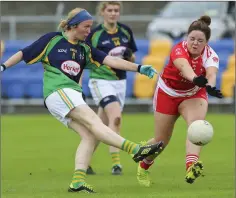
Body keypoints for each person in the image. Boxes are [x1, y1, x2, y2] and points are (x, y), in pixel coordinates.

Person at [0, 8, 164, 193]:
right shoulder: (52, 40)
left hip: (70, 95)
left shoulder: (84, 49)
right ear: (74, 25)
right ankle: (136, 150)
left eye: (90, 27)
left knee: (89, 135)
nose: (88, 31)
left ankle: (77, 181)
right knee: (95, 121)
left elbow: (112, 61)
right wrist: (4, 66)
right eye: (86, 27)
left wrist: (139, 67)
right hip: (59, 91)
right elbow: (23, 53)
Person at [136, 15, 223, 187]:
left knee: (196, 126)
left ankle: (191, 167)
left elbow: (212, 74)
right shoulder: (178, 49)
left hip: (193, 95)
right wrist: (196, 78)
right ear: (186, 38)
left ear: (206, 43)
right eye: (192, 39)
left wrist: (210, 86)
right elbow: (184, 67)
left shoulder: (211, 55)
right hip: (167, 92)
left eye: (200, 40)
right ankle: (143, 165)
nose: (195, 43)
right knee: (161, 141)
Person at [85, 1, 137, 175]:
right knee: (116, 118)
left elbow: (132, 57)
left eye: (116, 10)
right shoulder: (95, 34)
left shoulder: (125, 31)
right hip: (101, 81)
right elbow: (85, 56)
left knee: (100, 126)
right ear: (102, 12)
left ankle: (85, 161)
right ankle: (116, 164)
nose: (113, 13)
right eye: (110, 10)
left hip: (120, 82)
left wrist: (129, 57)